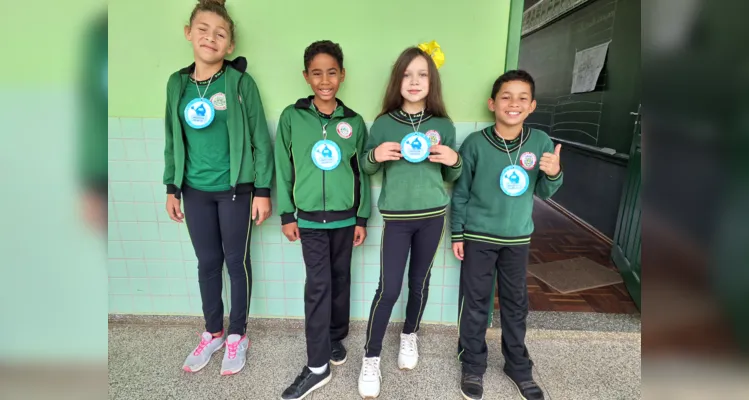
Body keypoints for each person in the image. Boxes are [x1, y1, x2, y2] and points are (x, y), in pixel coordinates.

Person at [162, 0, 273, 376]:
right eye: (203, 29)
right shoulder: (177, 83)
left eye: (220, 34)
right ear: (188, 33)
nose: (210, 37)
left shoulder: (240, 83)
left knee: (236, 261)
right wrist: (171, 187)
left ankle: (238, 334)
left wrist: (262, 190)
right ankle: (213, 331)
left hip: (236, 190)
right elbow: (171, 137)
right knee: (207, 263)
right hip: (194, 191)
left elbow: (260, 139)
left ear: (229, 46)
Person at [357, 42, 462, 399]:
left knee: (419, 282)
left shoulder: (443, 125)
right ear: (396, 81)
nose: (414, 81)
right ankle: (370, 357)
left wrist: (453, 159)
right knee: (389, 288)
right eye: (406, 74)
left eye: (422, 74)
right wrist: (374, 153)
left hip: (433, 216)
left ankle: (409, 336)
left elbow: (452, 177)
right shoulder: (384, 124)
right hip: (397, 219)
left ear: (431, 81)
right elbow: (367, 167)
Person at [451, 70, 563, 400]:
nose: (513, 103)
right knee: (475, 303)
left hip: (517, 239)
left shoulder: (540, 142)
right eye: (506, 97)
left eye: (522, 98)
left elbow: (544, 191)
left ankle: (517, 364)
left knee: (516, 303)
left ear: (532, 106)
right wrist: (458, 233)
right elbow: (461, 193)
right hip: (478, 237)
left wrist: (554, 173)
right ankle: (472, 363)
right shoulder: (474, 144)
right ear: (492, 103)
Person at [275, 40, 370, 400]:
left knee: (340, 279)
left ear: (342, 75)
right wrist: (287, 213)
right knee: (318, 286)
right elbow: (284, 169)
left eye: (332, 72)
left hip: (346, 221)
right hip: (311, 221)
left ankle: (334, 338)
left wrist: (361, 217)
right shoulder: (291, 117)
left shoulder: (354, 122)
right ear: (306, 77)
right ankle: (317, 367)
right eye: (317, 73)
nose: (325, 79)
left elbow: (361, 173)